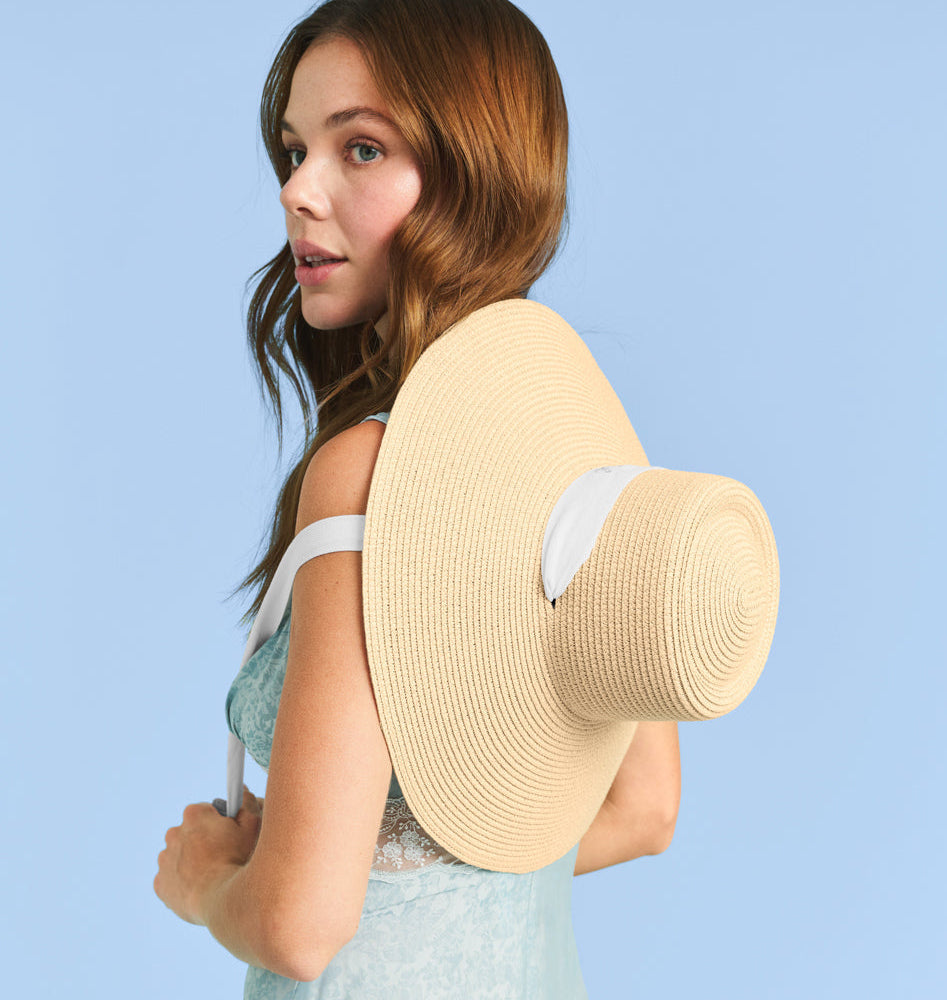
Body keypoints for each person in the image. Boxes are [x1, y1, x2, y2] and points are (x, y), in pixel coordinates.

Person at [154, 1, 682, 995]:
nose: (296, 191)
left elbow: (299, 927)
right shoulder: (586, 442)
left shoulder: (366, 472)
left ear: (477, 176)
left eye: (360, 148)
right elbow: (643, 808)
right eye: (294, 151)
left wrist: (212, 882)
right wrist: (368, 853)